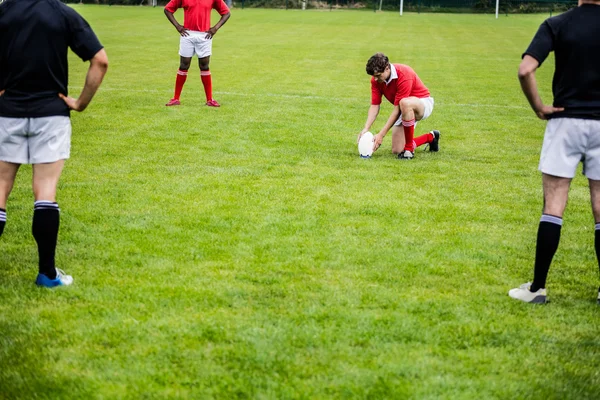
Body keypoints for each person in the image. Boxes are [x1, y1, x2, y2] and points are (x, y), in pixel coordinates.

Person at [0, 0, 108, 287]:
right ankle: (47, 274)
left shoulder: (4, 11)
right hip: (51, 114)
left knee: (0, 189)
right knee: (45, 191)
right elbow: (100, 60)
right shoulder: (62, 13)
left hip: (7, 113)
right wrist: (80, 103)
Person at [509, 0, 600, 304]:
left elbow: (525, 70)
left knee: (554, 204)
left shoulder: (557, 23)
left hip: (564, 121)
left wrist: (539, 108)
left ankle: (537, 289)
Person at [358, 53, 440, 160]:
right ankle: (431, 137)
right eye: (374, 76)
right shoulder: (376, 81)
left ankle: (409, 151)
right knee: (397, 150)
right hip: (404, 108)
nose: (376, 79)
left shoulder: (404, 74)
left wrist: (381, 135)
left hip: (422, 104)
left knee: (404, 103)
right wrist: (366, 128)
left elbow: (397, 109)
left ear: (387, 68)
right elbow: (375, 105)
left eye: (378, 75)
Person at [164, 0, 230, 107]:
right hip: (187, 34)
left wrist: (215, 28)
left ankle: (209, 99)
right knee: (184, 65)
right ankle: (176, 98)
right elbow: (167, 9)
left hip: (205, 35)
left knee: (204, 66)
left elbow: (226, 13)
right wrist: (178, 26)